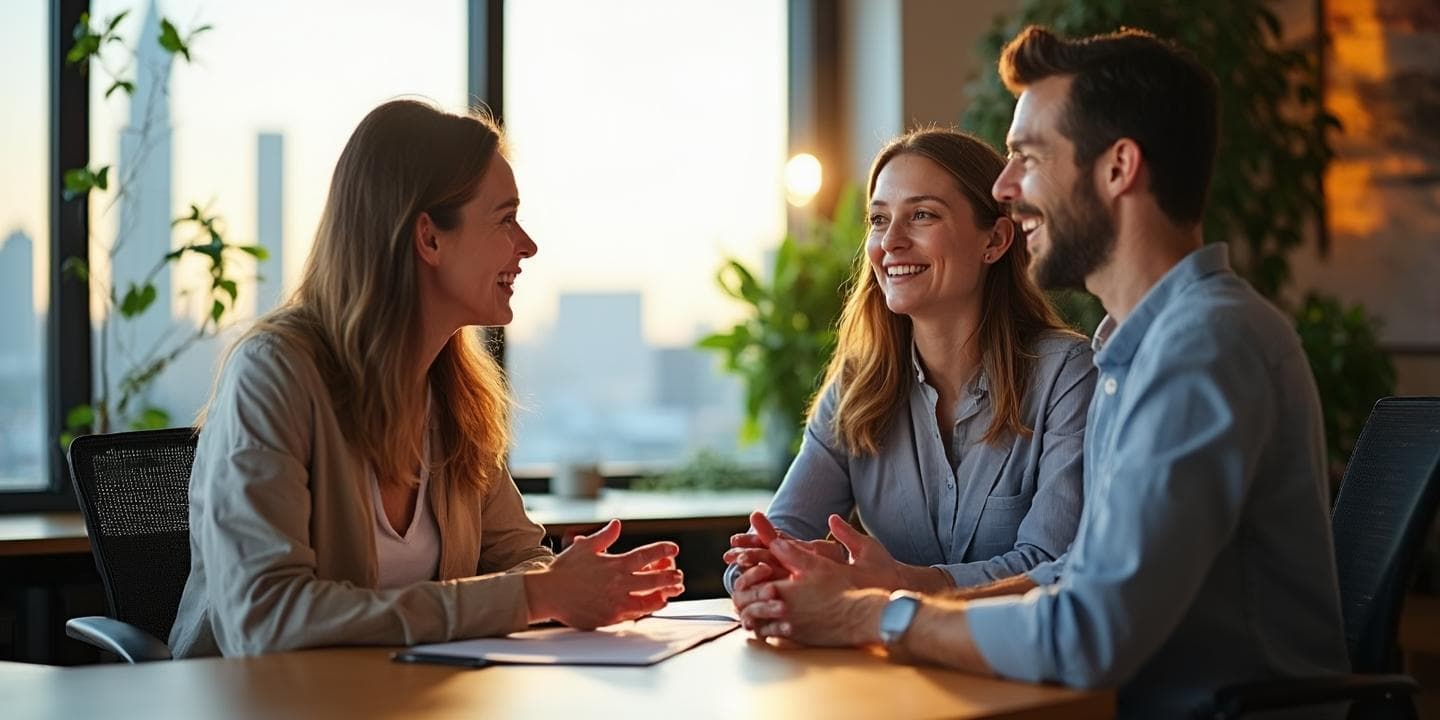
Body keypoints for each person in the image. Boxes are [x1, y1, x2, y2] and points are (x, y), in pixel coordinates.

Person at [735, 27, 1349, 719]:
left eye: (1028, 156)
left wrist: (868, 616)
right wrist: (887, 601)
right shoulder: (1136, 348)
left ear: (1118, 168)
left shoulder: (1202, 346)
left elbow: (1091, 632)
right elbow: (1070, 575)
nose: (1004, 185)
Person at [169, 99, 684, 658]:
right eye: (505, 218)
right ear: (429, 238)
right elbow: (265, 620)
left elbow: (521, 562)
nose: (527, 246)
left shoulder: (453, 395)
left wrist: (564, 586)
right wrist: (536, 595)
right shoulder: (274, 373)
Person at [724, 128, 1095, 607]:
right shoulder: (859, 388)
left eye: (922, 215)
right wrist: (762, 569)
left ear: (996, 239)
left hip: (1022, 672)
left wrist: (899, 581)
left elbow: (1054, 564)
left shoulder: (1067, 376)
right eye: (879, 220)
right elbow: (777, 536)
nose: (890, 242)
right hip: (892, 669)